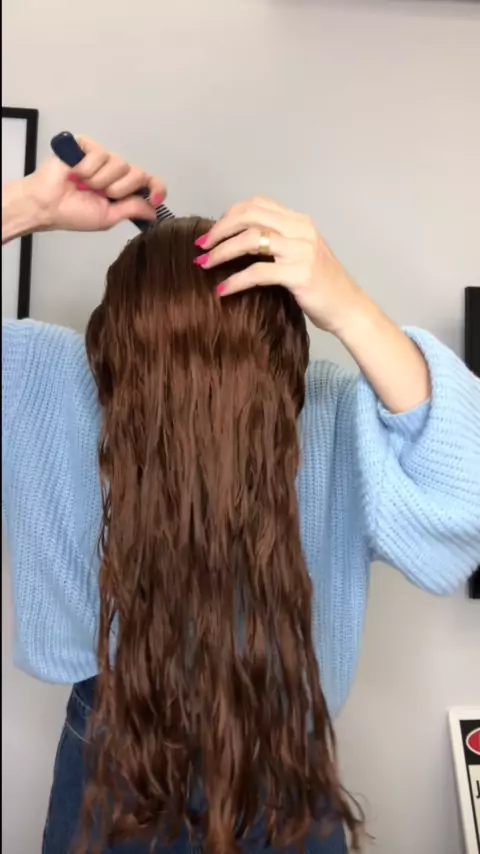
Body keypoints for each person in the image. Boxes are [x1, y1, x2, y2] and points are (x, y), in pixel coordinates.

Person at [2, 137, 480, 854]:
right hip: (126, 751)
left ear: (110, 327)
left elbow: (468, 499)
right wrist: (29, 204)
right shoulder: (44, 381)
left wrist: (350, 305)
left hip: (269, 758)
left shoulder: (333, 416)